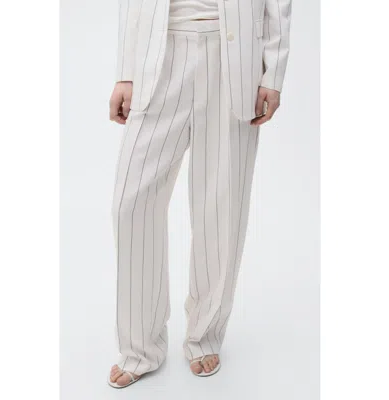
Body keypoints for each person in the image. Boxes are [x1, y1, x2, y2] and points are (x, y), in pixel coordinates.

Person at [108, 0, 292, 388]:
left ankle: (204, 335)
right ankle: (140, 347)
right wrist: (126, 72)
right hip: (159, 54)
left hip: (233, 58)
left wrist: (273, 73)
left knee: (222, 206)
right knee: (132, 203)